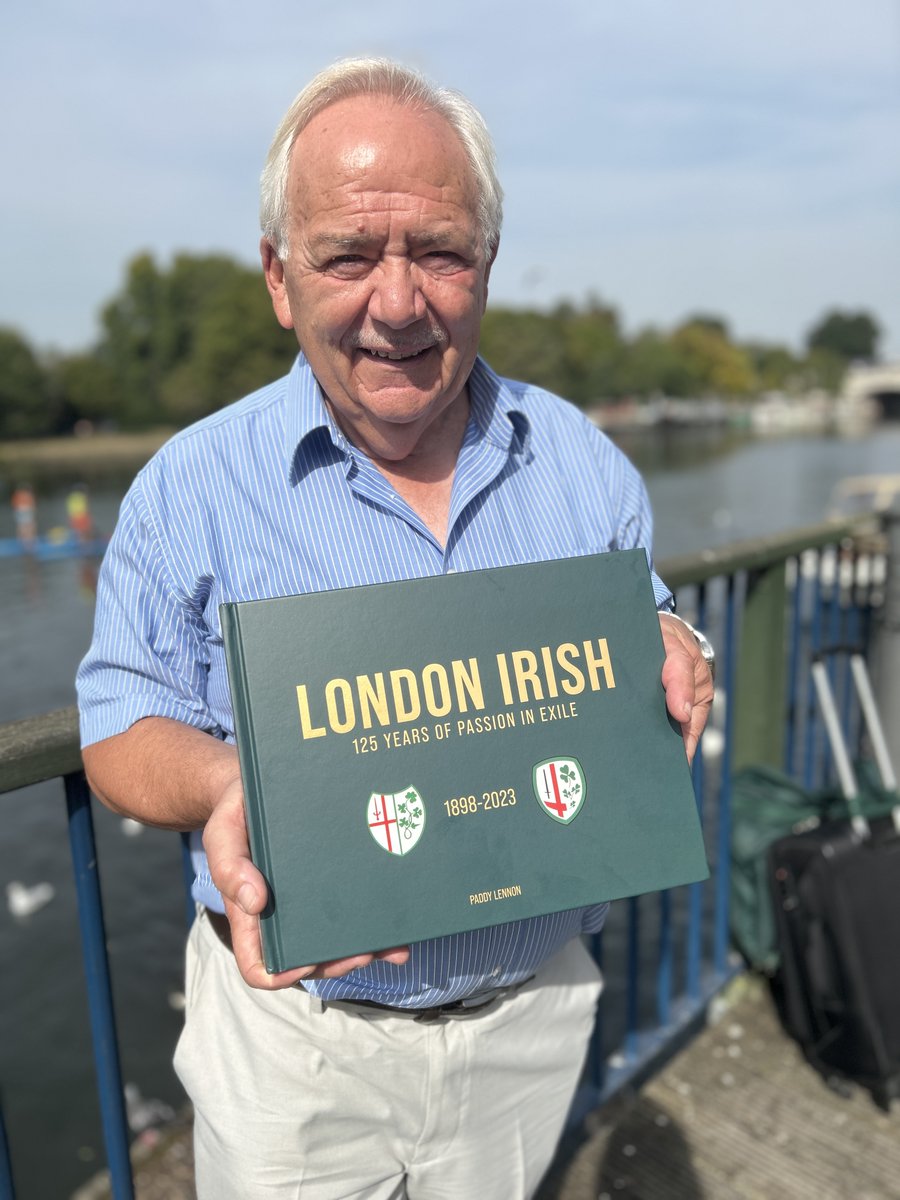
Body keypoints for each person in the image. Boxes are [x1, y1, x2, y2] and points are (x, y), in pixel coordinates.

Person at [76, 57, 714, 1200]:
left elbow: (641, 613)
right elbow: (120, 720)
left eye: (440, 250)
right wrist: (232, 786)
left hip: (531, 1019)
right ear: (280, 278)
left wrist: (678, 644)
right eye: (350, 255)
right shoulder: (190, 487)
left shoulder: (582, 462)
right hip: (296, 1044)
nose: (400, 301)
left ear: (487, 265)